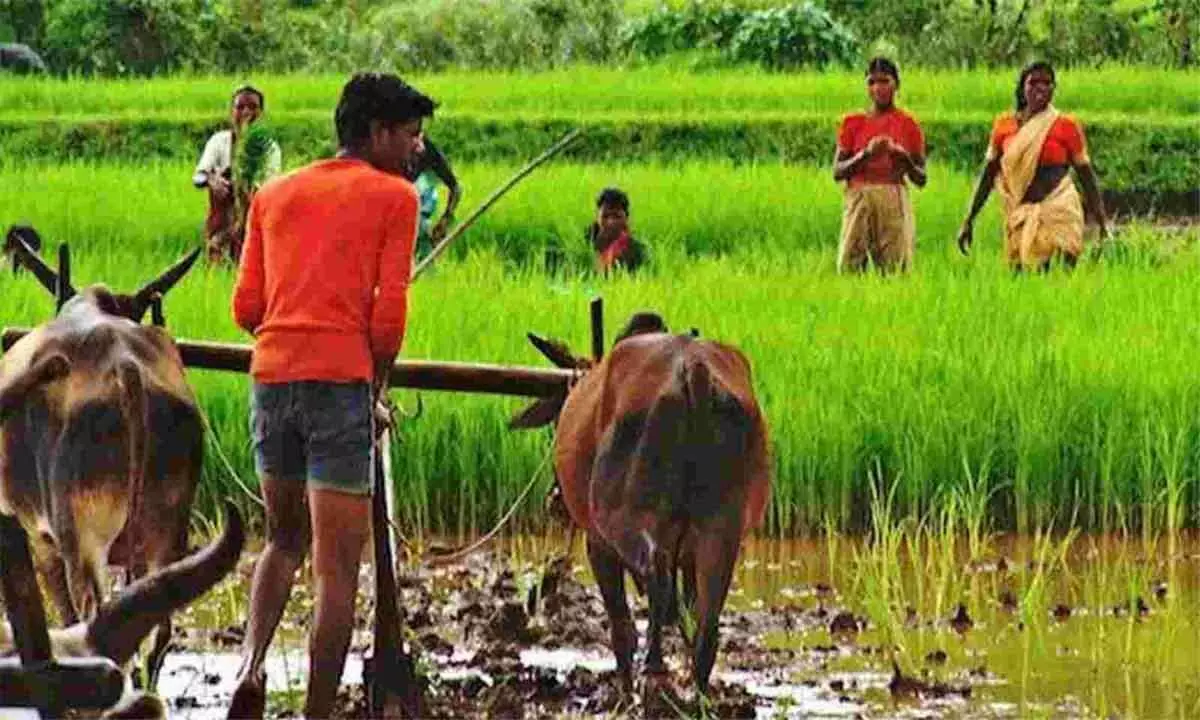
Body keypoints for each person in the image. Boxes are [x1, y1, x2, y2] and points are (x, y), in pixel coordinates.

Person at [227, 72, 431, 720]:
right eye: (409, 134)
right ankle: (317, 712)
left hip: (272, 379)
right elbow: (389, 318)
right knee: (336, 568)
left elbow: (246, 307)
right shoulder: (396, 198)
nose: (416, 149)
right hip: (339, 386)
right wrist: (376, 380)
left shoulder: (274, 195)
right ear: (375, 133)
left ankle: (251, 668)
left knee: (282, 541)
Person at [957, 61, 1110, 271]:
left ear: (1054, 89)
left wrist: (1102, 223)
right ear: (1023, 88)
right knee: (1020, 277)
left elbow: (1086, 176)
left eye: (1047, 83)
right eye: (1033, 82)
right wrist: (969, 219)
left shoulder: (1066, 126)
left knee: (1060, 274)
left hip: (1059, 211)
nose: (1040, 88)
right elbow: (988, 174)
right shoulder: (1004, 126)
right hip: (1020, 213)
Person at [832, 56, 926, 274]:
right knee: (850, 266)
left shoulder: (908, 125)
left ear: (896, 85)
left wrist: (903, 158)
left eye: (884, 81)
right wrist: (865, 155)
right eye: (872, 82)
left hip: (893, 196)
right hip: (859, 197)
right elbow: (837, 171)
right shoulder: (852, 123)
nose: (878, 88)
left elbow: (921, 178)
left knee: (896, 268)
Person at [193, 85, 282, 265]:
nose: (246, 113)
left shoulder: (268, 148)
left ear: (261, 113)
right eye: (240, 107)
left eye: (253, 107)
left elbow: (270, 187)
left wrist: (245, 189)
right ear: (231, 112)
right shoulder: (219, 141)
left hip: (253, 223)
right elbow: (198, 176)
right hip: (220, 223)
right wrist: (212, 180)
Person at [403, 138, 462, 263]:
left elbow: (455, 188)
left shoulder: (428, 150)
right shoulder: (385, 149)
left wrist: (446, 219)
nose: (419, 147)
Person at [586, 187, 646, 273]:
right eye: (605, 216)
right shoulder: (584, 243)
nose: (610, 222)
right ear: (597, 217)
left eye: (617, 216)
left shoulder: (637, 249)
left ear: (627, 218)